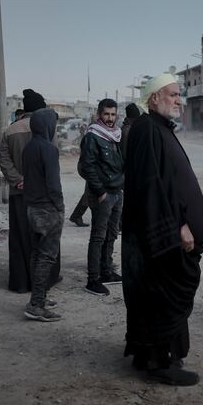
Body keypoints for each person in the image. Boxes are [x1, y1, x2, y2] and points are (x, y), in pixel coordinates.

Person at [122, 73, 203, 386]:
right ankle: (158, 362)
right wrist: (178, 227)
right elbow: (152, 188)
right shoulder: (147, 129)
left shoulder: (158, 129)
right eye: (172, 94)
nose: (178, 100)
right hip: (158, 239)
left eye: (178, 95)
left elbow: (170, 181)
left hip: (166, 232)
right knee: (159, 295)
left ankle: (153, 355)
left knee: (157, 296)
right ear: (154, 97)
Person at [0, 88, 50, 293]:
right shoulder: (47, 129)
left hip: (18, 193)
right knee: (42, 239)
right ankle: (43, 282)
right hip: (41, 194)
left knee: (20, 238)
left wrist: (18, 179)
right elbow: (50, 160)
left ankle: (20, 283)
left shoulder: (10, 130)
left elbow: (3, 158)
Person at [21, 108, 65, 322]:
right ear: (48, 126)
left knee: (36, 255)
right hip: (47, 209)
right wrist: (60, 206)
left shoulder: (28, 148)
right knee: (46, 257)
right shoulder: (49, 149)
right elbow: (53, 184)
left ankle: (38, 297)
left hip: (31, 208)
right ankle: (36, 304)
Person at [78, 98, 124, 296]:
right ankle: (93, 279)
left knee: (111, 234)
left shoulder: (116, 135)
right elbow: (86, 166)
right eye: (106, 114)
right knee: (98, 237)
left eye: (113, 114)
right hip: (102, 194)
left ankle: (106, 271)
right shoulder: (92, 135)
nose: (110, 118)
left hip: (116, 192)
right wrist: (100, 192)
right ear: (99, 114)